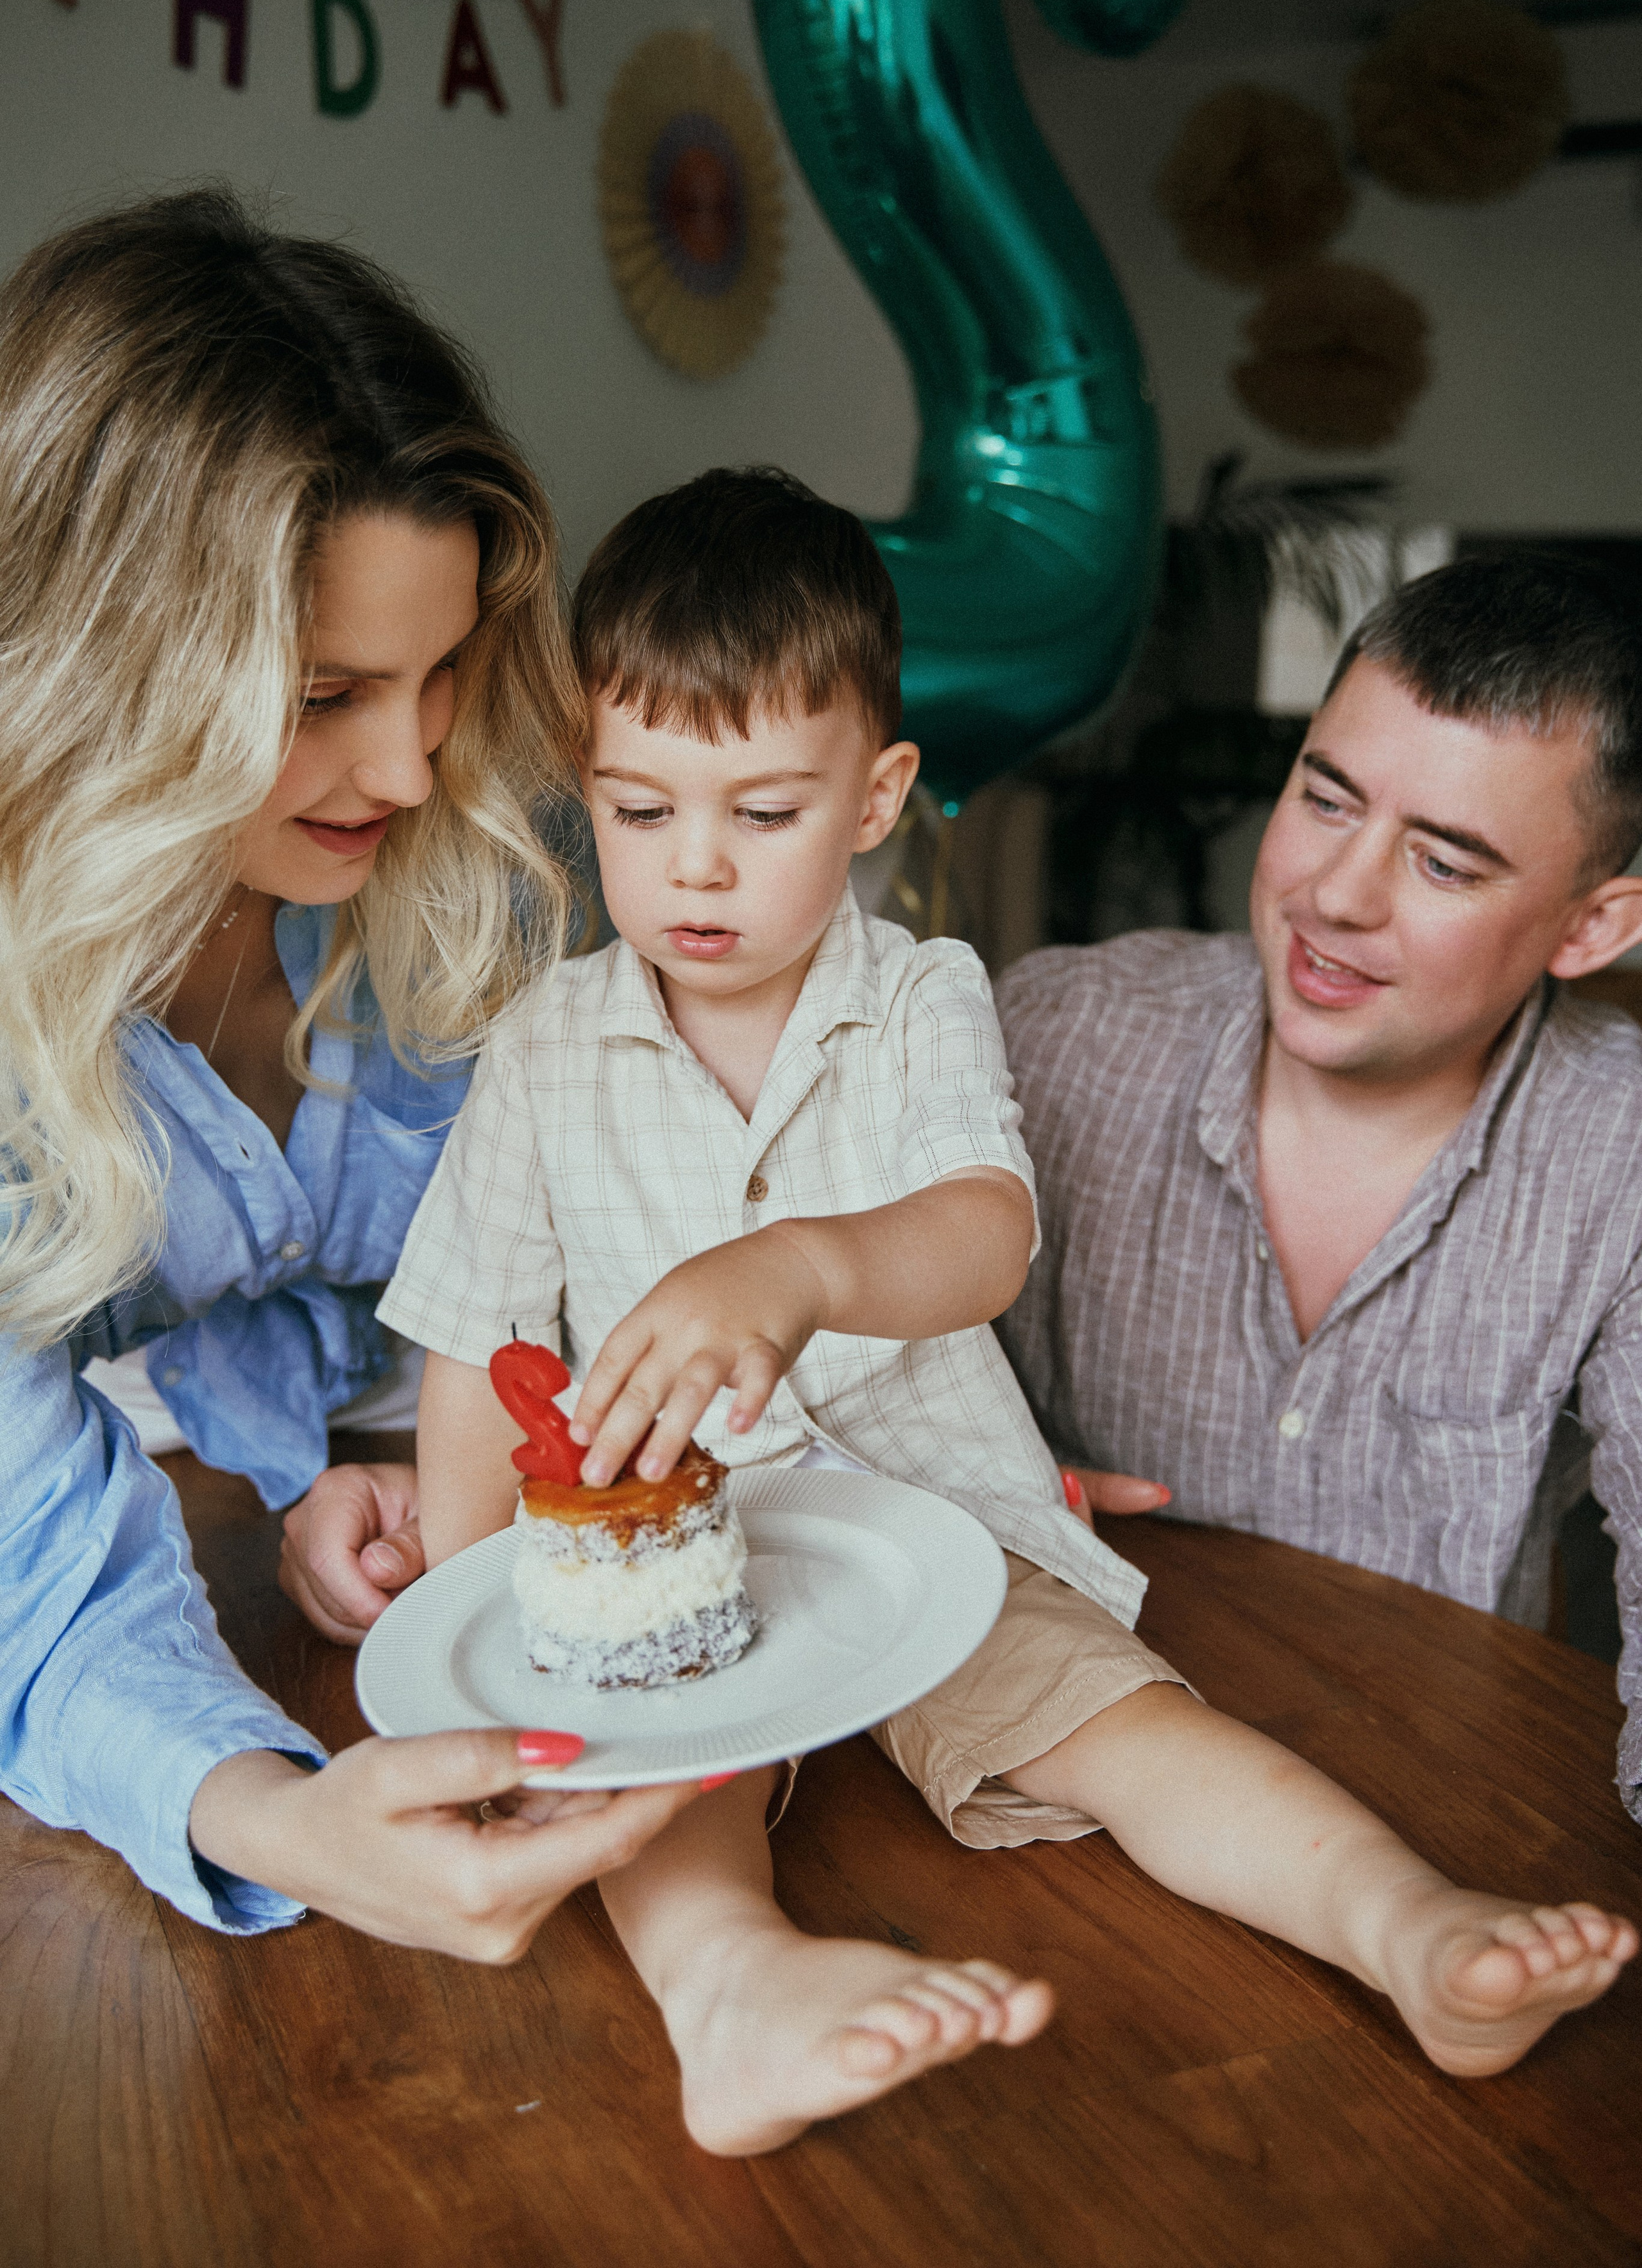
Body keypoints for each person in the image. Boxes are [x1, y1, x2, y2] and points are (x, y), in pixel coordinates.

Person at [375, 473, 1634, 2158]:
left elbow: (984, 1238)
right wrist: (473, 1640)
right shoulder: (540, 1048)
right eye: (641, 810)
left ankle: (1405, 1927)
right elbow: (472, 1343)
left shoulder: (923, 1000)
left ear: (878, 797)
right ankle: (735, 1993)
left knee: (1138, 1728)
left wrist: (805, 1266)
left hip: (928, 1527)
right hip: (655, 1561)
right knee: (655, 1794)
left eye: (760, 815)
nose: (695, 870)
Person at [0, 187, 707, 1954]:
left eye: (444, 671)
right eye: (322, 695)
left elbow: (481, 1249)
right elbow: (26, 1581)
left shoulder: (457, 862)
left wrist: (304, 1450)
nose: (408, 765)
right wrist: (286, 1820)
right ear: (108, 670)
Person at [994, 552, 1642, 1829]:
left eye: (1444, 865)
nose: (1331, 896)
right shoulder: (1053, 1036)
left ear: (1590, 928)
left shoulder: (1617, 1148)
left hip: (1426, 1820)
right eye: (1324, 796)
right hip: (1038, 1800)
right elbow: (817, 1425)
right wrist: (963, 1477)